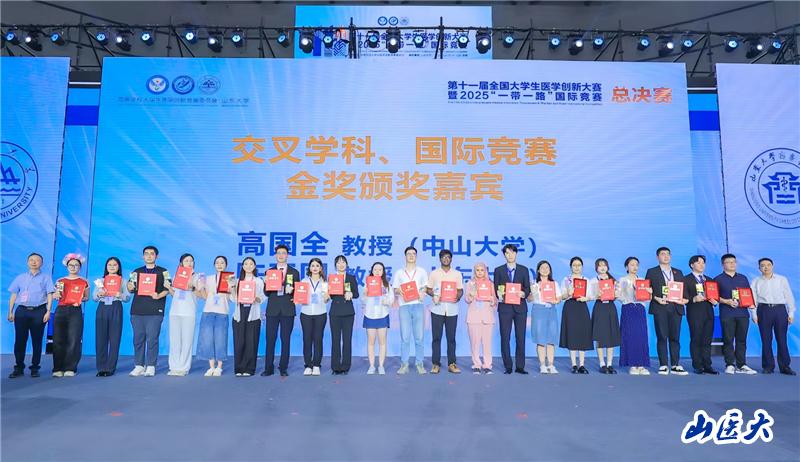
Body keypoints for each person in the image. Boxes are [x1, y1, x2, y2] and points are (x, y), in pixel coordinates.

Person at [7, 253, 54, 378]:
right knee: (20, 340)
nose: (34, 262)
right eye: (31, 260)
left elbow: (50, 295)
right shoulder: (20, 277)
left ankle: (35, 367)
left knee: (37, 340)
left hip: (39, 311)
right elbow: (13, 295)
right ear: (27, 262)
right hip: (22, 311)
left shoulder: (46, 278)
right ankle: (19, 367)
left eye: (37, 260)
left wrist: (48, 311)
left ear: (41, 263)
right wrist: (10, 311)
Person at [645, 247, 689, 376]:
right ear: (657, 257)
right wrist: (656, 298)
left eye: (668, 254)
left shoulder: (678, 272)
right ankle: (663, 364)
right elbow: (647, 291)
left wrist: (685, 300)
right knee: (662, 337)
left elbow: (684, 291)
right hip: (660, 307)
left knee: (675, 337)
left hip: (676, 308)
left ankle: (675, 365)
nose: (666, 256)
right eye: (662, 254)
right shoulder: (652, 272)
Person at [127, 245, 169, 377]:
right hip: (137, 310)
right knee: (138, 339)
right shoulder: (136, 271)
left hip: (155, 310)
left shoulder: (163, 272)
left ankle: (151, 365)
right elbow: (130, 288)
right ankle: (139, 365)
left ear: (157, 256)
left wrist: (158, 295)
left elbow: (168, 289)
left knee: (152, 339)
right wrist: (129, 286)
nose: (149, 256)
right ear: (143, 256)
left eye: (152, 253)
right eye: (146, 253)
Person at [751, 257, 796, 375]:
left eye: (768, 265)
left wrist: (791, 312)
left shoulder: (782, 279)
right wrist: (754, 314)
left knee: (782, 339)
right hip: (764, 310)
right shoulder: (756, 281)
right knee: (766, 339)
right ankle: (768, 366)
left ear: (772, 266)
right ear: (759, 268)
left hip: (780, 310)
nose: (766, 267)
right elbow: (753, 299)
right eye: (762, 265)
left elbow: (788, 295)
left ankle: (785, 366)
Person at [714, 254, 757, 375]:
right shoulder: (718, 279)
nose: (732, 264)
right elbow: (714, 297)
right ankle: (729, 364)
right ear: (723, 265)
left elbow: (747, 294)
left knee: (741, 340)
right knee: (728, 340)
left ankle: (742, 364)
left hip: (743, 313)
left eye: (734, 262)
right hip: (727, 314)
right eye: (729, 262)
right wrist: (726, 301)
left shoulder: (743, 278)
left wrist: (750, 304)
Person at [263, 244, 301, 377]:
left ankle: (283, 367)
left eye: (283, 253)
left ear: (287, 255)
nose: (281, 255)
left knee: (286, 339)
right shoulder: (269, 272)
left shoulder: (294, 272)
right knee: (270, 339)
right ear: (275, 255)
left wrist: (294, 292)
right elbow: (266, 293)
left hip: (287, 310)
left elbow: (299, 292)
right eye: (278, 253)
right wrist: (266, 283)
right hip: (272, 310)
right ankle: (268, 368)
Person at [493, 244, 531, 374]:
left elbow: (527, 288)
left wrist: (523, 293)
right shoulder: (498, 270)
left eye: (512, 252)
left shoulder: (524, 270)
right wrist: (500, 294)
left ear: (516, 254)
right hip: (505, 308)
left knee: (520, 337)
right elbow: (496, 288)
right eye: (507, 253)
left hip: (520, 308)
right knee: (505, 337)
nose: (510, 255)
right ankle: (508, 366)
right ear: (504, 255)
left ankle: (520, 366)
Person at [391, 246, 429, 375]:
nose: (411, 255)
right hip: (404, 306)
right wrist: (399, 291)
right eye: (409, 254)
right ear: (405, 256)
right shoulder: (399, 272)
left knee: (419, 337)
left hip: (418, 305)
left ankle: (419, 363)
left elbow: (425, 286)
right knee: (405, 337)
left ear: (416, 256)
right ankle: (404, 364)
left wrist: (422, 292)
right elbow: (395, 288)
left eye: (414, 254)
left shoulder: (421, 271)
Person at [426, 249, 464, 374]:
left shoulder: (457, 274)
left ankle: (452, 364)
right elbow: (428, 289)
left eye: (448, 257)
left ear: (451, 259)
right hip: (437, 309)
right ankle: (435, 364)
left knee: (451, 338)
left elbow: (460, 290)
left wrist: (457, 296)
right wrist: (434, 294)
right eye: (443, 257)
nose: (446, 259)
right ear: (440, 259)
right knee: (436, 338)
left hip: (452, 310)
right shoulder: (434, 274)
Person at [52, 254, 90, 377]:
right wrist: (55, 295)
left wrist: (80, 298)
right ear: (67, 266)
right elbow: (55, 295)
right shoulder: (60, 280)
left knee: (74, 339)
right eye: (71, 265)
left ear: (80, 267)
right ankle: (57, 368)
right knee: (58, 339)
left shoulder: (84, 281)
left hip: (75, 310)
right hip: (61, 310)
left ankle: (70, 367)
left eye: (76, 265)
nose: (73, 267)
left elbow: (87, 297)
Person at [93, 256, 131, 377]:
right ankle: (101, 367)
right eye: (109, 265)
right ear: (106, 267)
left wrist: (121, 295)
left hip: (116, 307)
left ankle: (110, 368)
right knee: (100, 338)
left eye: (115, 265)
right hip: (102, 307)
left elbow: (127, 298)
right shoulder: (100, 281)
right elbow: (94, 298)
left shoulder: (123, 281)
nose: (112, 267)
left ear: (118, 267)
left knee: (115, 339)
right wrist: (99, 294)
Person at [682, 255, 719, 375]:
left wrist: (715, 301)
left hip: (709, 312)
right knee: (696, 339)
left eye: (703, 263)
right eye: (698, 263)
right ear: (692, 265)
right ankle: (697, 365)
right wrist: (693, 299)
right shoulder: (685, 279)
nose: (702, 265)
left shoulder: (710, 280)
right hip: (695, 312)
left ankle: (707, 365)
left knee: (707, 340)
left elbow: (715, 296)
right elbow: (683, 297)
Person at [167, 253, 202, 376]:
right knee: (174, 340)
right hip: (175, 312)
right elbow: (174, 294)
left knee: (187, 341)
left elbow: (201, 294)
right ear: (181, 263)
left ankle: (183, 367)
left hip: (189, 312)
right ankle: (174, 366)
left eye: (191, 261)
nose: (189, 263)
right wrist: (168, 288)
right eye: (186, 261)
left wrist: (192, 287)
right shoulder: (177, 276)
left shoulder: (198, 277)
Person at [197, 256, 232, 377]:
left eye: (222, 262)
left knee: (221, 339)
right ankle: (211, 366)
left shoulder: (230, 278)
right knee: (208, 339)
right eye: (217, 263)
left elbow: (231, 298)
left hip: (222, 311)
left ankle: (219, 367)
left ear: (226, 265)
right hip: (208, 311)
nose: (219, 265)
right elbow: (204, 297)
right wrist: (201, 287)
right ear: (214, 265)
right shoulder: (208, 278)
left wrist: (231, 288)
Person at [617, 257, 651, 375]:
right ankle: (632, 365)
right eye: (632, 265)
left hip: (640, 309)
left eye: (636, 265)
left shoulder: (642, 280)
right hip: (628, 308)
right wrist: (627, 294)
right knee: (630, 336)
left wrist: (649, 294)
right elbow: (618, 296)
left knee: (641, 336)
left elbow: (647, 299)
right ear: (626, 266)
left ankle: (641, 365)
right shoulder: (622, 280)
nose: (635, 267)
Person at [559, 257, 592, 374]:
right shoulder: (566, 280)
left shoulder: (586, 280)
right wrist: (568, 293)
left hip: (582, 307)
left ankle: (582, 365)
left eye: (579, 265)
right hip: (570, 307)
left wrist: (586, 298)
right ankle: (573, 364)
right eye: (574, 265)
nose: (577, 267)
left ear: (582, 267)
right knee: (572, 334)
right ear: (571, 267)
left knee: (582, 334)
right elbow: (562, 296)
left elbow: (590, 295)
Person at [527, 260, 560, 374]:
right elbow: (529, 299)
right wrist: (533, 293)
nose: (545, 270)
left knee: (551, 338)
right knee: (540, 339)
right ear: (538, 270)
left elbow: (559, 298)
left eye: (547, 268)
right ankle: (542, 365)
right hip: (538, 310)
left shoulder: (554, 283)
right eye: (542, 268)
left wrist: (556, 300)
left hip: (551, 310)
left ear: (550, 270)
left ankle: (551, 364)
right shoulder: (534, 284)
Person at [232, 257, 264, 377]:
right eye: (246, 264)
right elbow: (233, 298)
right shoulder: (237, 281)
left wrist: (256, 298)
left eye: (251, 264)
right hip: (240, 313)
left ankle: (250, 368)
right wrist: (232, 288)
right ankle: (239, 368)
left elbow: (262, 297)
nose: (248, 266)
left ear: (254, 266)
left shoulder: (259, 281)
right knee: (239, 341)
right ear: (242, 266)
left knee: (252, 341)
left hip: (253, 314)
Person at [588, 258, 621, 374]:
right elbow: (590, 296)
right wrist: (596, 295)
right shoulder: (593, 281)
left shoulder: (613, 281)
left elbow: (618, 295)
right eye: (600, 265)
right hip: (599, 307)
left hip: (610, 307)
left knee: (611, 336)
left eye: (604, 265)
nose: (602, 268)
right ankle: (602, 363)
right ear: (596, 268)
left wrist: (616, 294)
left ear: (608, 267)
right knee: (600, 336)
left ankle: (610, 364)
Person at [328, 255, 360, 375]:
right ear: (335, 265)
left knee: (347, 340)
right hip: (335, 312)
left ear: (346, 264)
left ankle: (346, 366)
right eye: (338, 262)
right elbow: (330, 296)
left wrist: (351, 294)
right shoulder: (332, 278)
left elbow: (356, 294)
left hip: (348, 312)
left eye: (343, 262)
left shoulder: (351, 278)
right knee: (335, 339)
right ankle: (335, 366)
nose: (341, 265)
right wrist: (328, 292)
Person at [465, 261, 498, 374]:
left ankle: (487, 365)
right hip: (473, 317)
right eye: (477, 270)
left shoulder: (490, 284)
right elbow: (467, 299)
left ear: (485, 271)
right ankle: (477, 365)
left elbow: (495, 301)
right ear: (474, 272)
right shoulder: (470, 283)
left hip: (487, 317)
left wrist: (492, 299)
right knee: (475, 343)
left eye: (482, 270)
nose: (480, 272)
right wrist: (471, 295)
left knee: (487, 343)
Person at [299, 258, 330, 376]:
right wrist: (298, 298)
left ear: (321, 268)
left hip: (320, 314)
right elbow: (300, 297)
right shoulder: (304, 281)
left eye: (317, 265)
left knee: (318, 339)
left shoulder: (325, 283)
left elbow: (326, 300)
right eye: (313, 265)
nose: (315, 268)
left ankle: (316, 365)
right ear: (309, 268)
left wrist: (327, 298)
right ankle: (308, 365)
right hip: (306, 313)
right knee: (307, 339)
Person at [362, 262, 393, 375]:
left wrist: (386, 301)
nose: (377, 271)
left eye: (380, 269)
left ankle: (381, 366)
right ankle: (371, 366)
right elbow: (363, 301)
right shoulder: (367, 284)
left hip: (382, 315)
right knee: (371, 342)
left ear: (383, 271)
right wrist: (365, 295)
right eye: (375, 269)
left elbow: (391, 299)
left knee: (382, 342)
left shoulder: (387, 284)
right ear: (372, 271)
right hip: (370, 315)